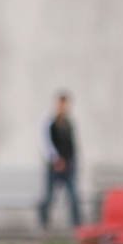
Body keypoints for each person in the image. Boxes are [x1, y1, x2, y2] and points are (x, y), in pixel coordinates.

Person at [37, 91, 81, 229]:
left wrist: (71, 161)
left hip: (68, 166)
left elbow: (71, 145)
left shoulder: (69, 123)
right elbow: (46, 143)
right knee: (49, 197)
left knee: (73, 196)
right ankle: (43, 223)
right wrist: (56, 159)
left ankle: (77, 226)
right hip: (54, 166)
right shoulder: (50, 122)